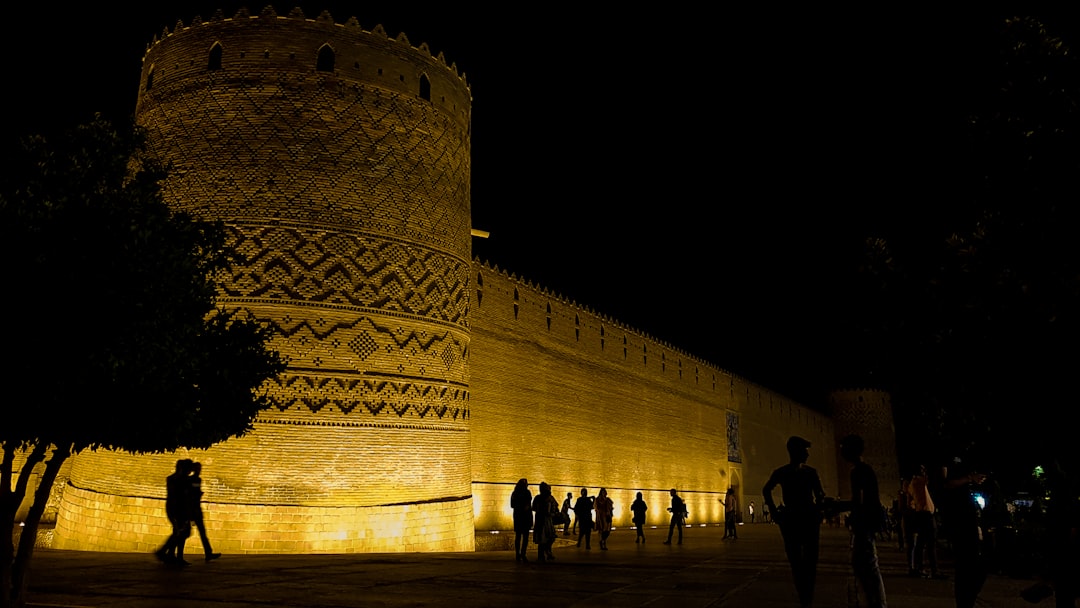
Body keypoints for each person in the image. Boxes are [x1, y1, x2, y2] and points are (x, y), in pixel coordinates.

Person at [762, 436, 827, 608]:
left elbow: (767, 490)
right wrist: (773, 510)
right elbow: (766, 490)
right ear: (795, 451)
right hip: (805, 519)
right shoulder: (807, 473)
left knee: (801, 563)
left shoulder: (784, 472)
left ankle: (806, 599)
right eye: (804, 450)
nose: (807, 454)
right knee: (801, 563)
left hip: (794, 519)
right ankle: (805, 598)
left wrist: (775, 511)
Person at [839, 434, 887, 608]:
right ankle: (876, 603)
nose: (841, 451)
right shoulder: (865, 469)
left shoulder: (858, 471)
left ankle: (878, 604)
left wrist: (836, 506)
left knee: (867, 565)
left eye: (843, 447)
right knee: (864, 564)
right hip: (866, 523)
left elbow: (858, 501)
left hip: (864, 524)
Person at [940, 453, 988, 608]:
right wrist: (969, 478)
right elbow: (945, 483)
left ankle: (967, 600)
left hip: (970, 517)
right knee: (966, 565)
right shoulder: (947, 457)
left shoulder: (967, 456)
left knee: (977, 564)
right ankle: (965, 603)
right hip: (959, 520)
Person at [905, 464, 943, 578]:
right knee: (930, 543)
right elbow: (933, 481)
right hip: (926, 514)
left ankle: (919, 568)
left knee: (921, 543)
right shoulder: (919, 481)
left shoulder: (913, 483)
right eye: (922, 469)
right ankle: (933, 570)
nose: (924, 471)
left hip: (921, 514)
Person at [155, 458, 194, 566]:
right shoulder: (180, 480)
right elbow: (180, 497)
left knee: (180, 532)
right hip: (178, 509)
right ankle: (164, 552)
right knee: (181, 532)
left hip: (176, 509)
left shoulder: (174, 479)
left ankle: (173, 556)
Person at [188, 462, 222, 562]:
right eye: (198, 468)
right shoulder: (192, 480)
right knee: (184, 533)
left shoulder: (197, 480)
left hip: (197, 510)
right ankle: (171, 552)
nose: (199, 470)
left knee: (202, 532)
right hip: (192, 510)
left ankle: (208, 553)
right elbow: (192, 494)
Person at [531, 481, 558, 563]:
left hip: (547, 520)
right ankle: (542, 556)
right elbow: (534, 507)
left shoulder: (550, 498)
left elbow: (555, 508)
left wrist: (552, 513)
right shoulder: (538, 498)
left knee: (550, 538)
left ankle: (547, 552)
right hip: (541, 520)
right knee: (542, 539)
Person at [510, 478, 533, 562]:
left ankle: (517, 554)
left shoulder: (514, 493)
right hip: (525, 517)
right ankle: (523, 554)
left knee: (518, 536)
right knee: (525, 537)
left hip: (518, 516)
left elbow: (512, 505)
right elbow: (529, 505)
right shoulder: (527, 493)